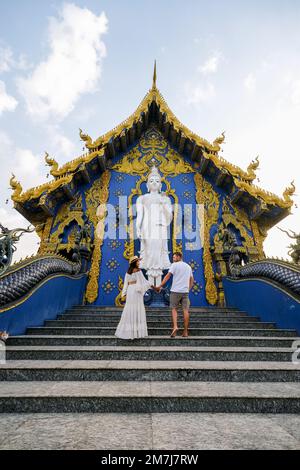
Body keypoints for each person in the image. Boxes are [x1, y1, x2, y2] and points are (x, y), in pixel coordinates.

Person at [155, 252, 194, 337]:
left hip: (175, 291)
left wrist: (160, 286)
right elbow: (191, 280)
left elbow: (167, 276)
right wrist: (188, 289)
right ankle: (185, 331)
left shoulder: (174, 265)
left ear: (179, 257)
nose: (173, 259)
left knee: (174, 309)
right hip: (185, 292)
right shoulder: (188, 267)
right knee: (186, 311)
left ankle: (175, 327)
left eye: (174, 257)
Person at [115, 256, 154, 339]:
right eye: (138, 261)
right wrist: (154, 286)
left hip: (130, 290)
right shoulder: (138, 271)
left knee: (129, 308)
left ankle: (128, 331)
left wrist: (124, 293)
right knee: (137, 308)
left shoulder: (128, 272)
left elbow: (125, 283)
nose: (139, 263)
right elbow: (144, 281)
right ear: (134, 263)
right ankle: (136, 331)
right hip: (136, 290)